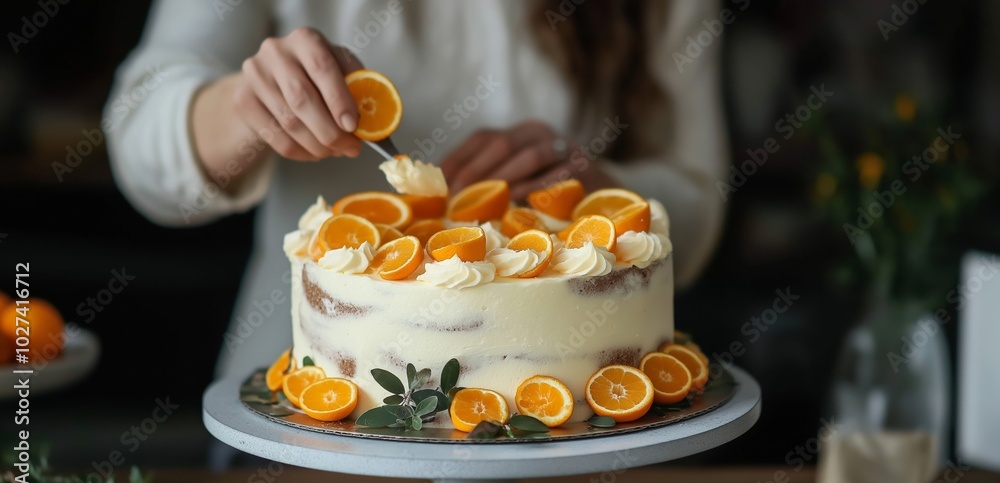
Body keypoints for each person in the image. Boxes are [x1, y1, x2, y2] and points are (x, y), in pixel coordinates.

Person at [105, 0, 728, 383]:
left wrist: (599, 188)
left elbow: (700, 207)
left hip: (575, 429)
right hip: (310, 423)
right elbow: (139, 143)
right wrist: (248, 113)